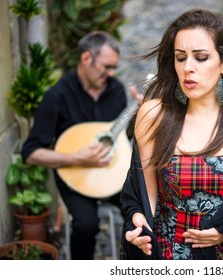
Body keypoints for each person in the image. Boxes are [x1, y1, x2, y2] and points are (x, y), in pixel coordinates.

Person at [119, 9, 223, 260]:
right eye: (180, 57)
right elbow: (145, 196)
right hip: (169, 256)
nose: (188, 68)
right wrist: (139, 223)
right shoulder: (153, 115)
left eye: (201, 57)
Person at [21, 31, 140, 259]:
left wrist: (139, 116)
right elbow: (30, 152)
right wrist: (77, 158)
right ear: (86, 58)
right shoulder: (57, 96)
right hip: (75, 175)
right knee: (86, 225)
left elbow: (121, 138)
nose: (112, 73)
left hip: (111, 173)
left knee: (140, 214)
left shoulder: (115, 90)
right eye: (107, 66)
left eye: (114, 67)